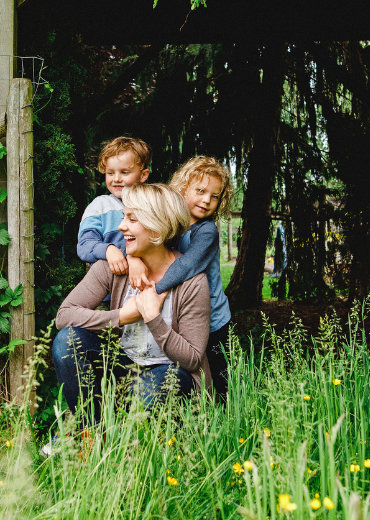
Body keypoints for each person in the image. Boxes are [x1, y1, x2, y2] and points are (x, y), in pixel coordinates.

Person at [53, 184, 212, 430]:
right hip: (124, 367)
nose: (120, 226)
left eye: (131, 219)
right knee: (68, 339)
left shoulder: (193, 282)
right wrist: (122, 316)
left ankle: (129, 442)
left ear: (158, 228)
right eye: (123, 217)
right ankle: (91, 434)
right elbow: (64, 316)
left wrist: (152, 318)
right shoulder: (113, 267)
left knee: (159, 383)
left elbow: (191, 360)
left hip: (169, 373)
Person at [128, 156, 234, 402]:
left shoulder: (206, 231)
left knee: (219, 381)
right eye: (200, 191)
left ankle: (221, 423)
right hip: (184, 316)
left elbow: (187, 265)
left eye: (215, 196)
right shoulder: (170, 225)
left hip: (215, 321)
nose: (207, 200)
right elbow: (144, 242)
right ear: (183, 188)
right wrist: (132, 258)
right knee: (183, 370)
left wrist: (156, 291)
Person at [75, 136, 152, 274]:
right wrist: (108, 250)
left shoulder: (152, 205)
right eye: (110, 173)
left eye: (124, 172)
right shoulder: (100, 206)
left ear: (143, 175)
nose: (116, 179)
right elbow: (84, 245)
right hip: (107, 288)